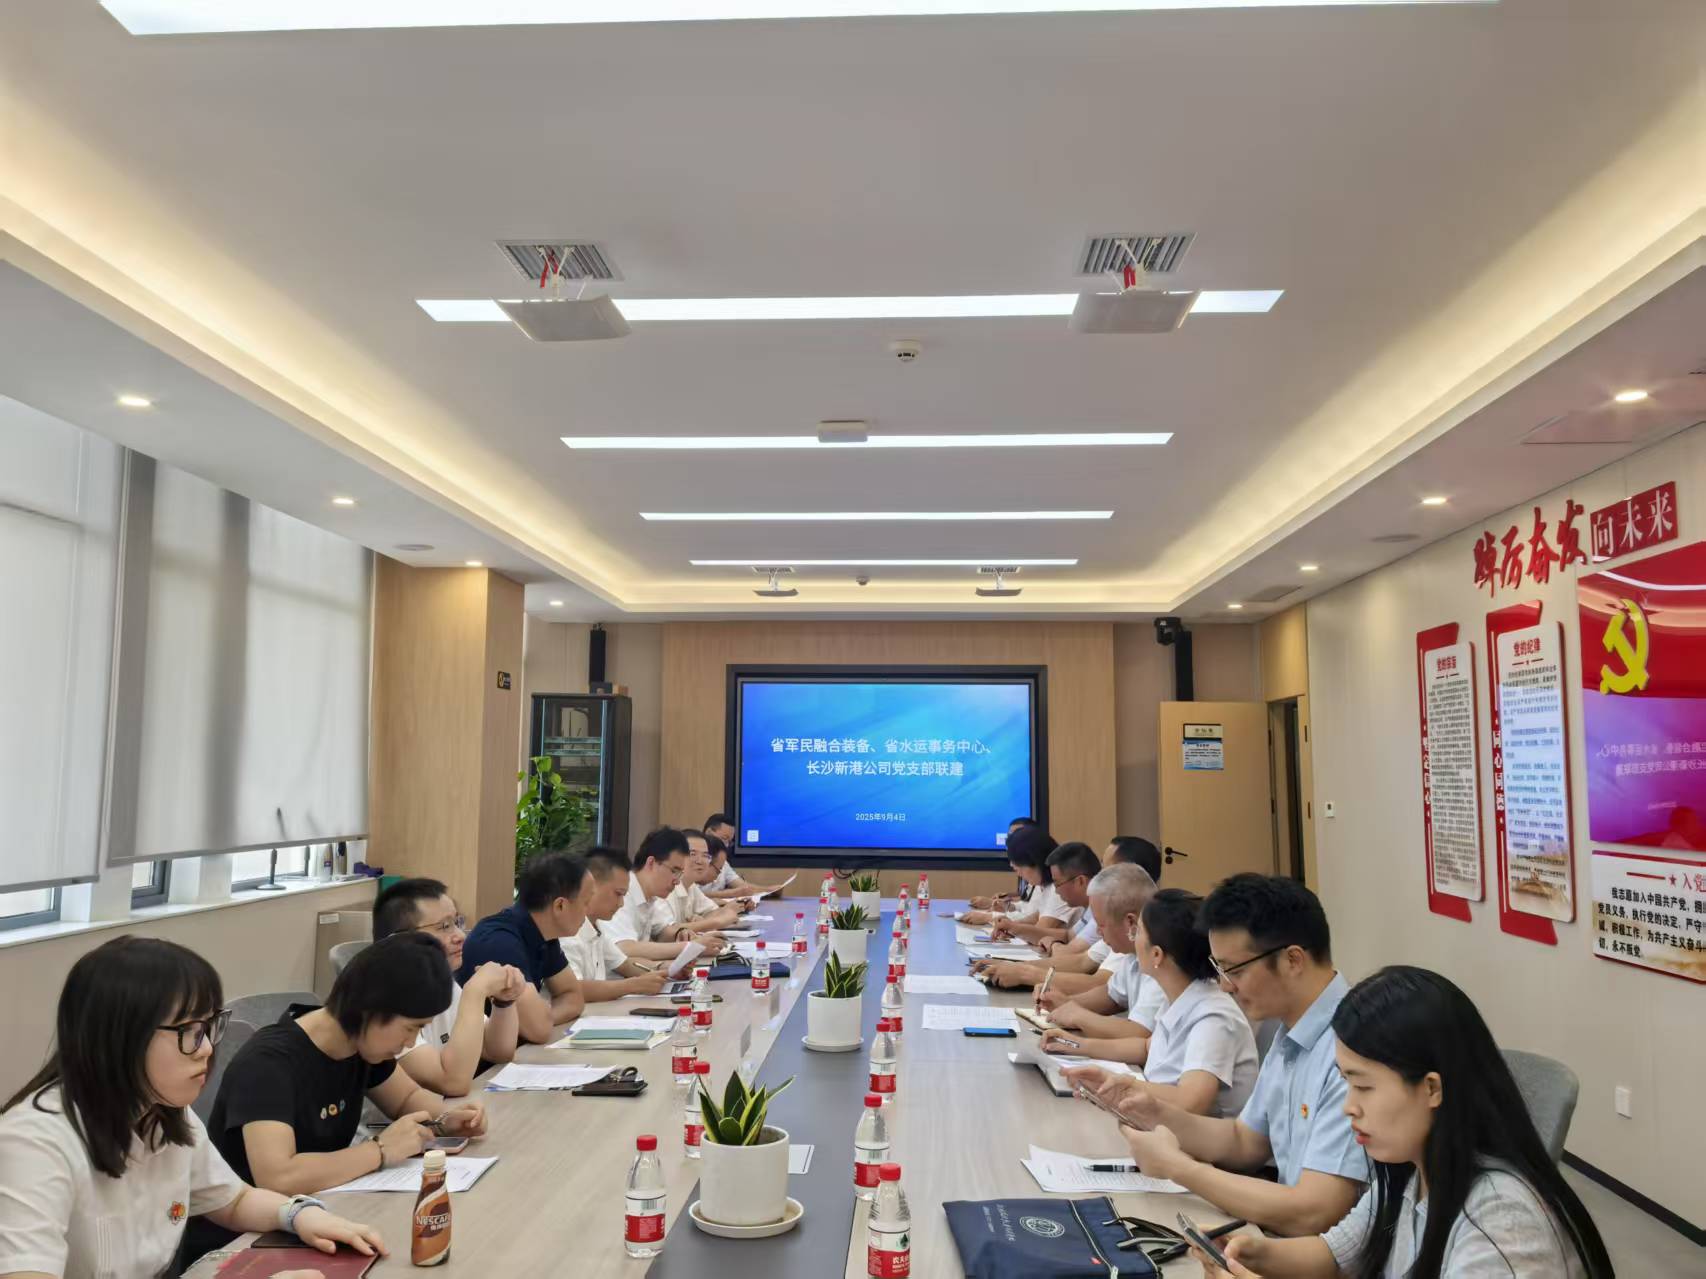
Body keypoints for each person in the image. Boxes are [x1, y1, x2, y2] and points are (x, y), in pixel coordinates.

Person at [1193, 966, 1613, 1279]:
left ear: (1431, 1088)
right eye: (1346, 1084)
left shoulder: (1503, 1219)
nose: (1349, 1107)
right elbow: (1335, 1257)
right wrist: (1253, 1253)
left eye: (1363, 1086)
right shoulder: (1407, 1171)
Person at [0, 937, 382, 1279]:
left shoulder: (164, 1112)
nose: (207, 1049)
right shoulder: (34, 1144)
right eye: (189, 1032)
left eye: (209, 1027)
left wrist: (298, 1215)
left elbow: (233, 1199)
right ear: (120, 1038)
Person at [1067, 874, 1364, 1236]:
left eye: (1235, 970)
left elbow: (1315, 1212)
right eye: (1220, 968)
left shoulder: (1353, 1048)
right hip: (1283, 1235)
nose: (1225, 985)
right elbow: (1245, 1141)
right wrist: (1151, 1110)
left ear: (1293, 960)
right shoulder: (1292, 1030)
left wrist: (1179, 1168)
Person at [191, 933, 486, 1256]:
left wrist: (446, 1122)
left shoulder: (359, 1046)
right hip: (244, 1241)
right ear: (370, 1009)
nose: (410, 1042)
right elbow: (278, 1177)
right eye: (410, 1028)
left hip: (319, 1212)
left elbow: (406, 1099)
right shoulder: (268, 1063)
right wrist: (380, 1150)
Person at [1049, 889, 1258, 1119]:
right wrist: (1076, 1045)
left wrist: (1121, 1084)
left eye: (1138, 930)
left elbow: (1191, 1102)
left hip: (1189, 1137)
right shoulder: (1181, 995)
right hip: (1158, 1121)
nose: (1132, 936)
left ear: (1157, 955)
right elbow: (1146, 1048)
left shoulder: (1214, 1017)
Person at [371, 877, 527, 1096]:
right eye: (444, 927)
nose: (461, 936)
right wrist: (476, 991)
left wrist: (504, 1001)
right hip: (406, 1118)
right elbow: (452, 1082)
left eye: (457, 922)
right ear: (401, 939)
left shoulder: (439, 981)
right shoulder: (384, 1002)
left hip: (442, 1112)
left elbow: (498, 1051)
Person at [975, 835, 1164, 992]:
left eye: (1106, 870)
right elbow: (1083, 960)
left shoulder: (1132, 928)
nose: (1098, 875)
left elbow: (1099, 983)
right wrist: (1014, 966)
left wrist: (1027, 971)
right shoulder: (1118, 918)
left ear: (1131, 874)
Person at [458, 853, 590, 1043]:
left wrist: (545, 1017)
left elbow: (573, 998)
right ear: (560, 905)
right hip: (480, 1058)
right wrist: (539, 1020)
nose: (588, 911)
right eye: (586, 903)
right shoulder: (500, 941)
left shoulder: (544, 934)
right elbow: (539, 1030)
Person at [1034, 863, 1164, 1055]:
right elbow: (1111, 996)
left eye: (1102, 924)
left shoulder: (1162, 961)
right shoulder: (1132, 954)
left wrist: (1078, 1016)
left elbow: (1139, 1033)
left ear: (1130, 922)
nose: (1097, 931)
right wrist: (1065, 1002)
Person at [563, 847, 674, 1000]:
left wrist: (666, 969)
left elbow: (624, 964)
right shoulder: (567, 933)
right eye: (618, 894)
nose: (621, 904)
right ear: (590, 885)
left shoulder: (596, 926)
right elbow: (573, 989)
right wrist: (633, 985)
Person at [608, 828, 728, 963]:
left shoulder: (650, 894)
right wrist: (691, 947)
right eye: (674, 871)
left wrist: (681, 934)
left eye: (680, 873)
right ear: (651, 863)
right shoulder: (623, 892)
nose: (677, 881)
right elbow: (625, 948)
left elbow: (663, 932)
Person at [990, 840, 1095, 945]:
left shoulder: (1098, 911)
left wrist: (1053, 946)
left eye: (1058, 884)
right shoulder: (1088, 910)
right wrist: (1012, 927)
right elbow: (1067, 936)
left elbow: (1075, 952)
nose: (1057, 891)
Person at [965, 826, 1058, 920]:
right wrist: (1007, 907)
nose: (1013, 867)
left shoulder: (1056, 887)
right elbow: (1029, 911)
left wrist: (990, 917)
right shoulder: (1041, 883)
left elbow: (1038, 924)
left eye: (1019, 865)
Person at [671, 830, 744, 932]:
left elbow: (713, 912)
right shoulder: (666, 888)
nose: (700, 861)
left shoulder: (691, 886)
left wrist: (702, 922)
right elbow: (667, 932)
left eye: (705, 855)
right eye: (693, 854)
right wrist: (708, 923)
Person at [700, 815, 762, 900]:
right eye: (724, 838)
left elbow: (744, 887)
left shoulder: (723, 862)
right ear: (709, 832)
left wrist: (771, 890)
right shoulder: (692, 860)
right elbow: (692, 895)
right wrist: (730, 893)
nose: (726, 845)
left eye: (729, 841)